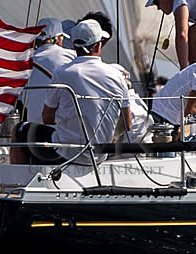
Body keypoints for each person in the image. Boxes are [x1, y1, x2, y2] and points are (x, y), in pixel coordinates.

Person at [37, 20, 132, 162]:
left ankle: (18, 180)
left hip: (66, 153)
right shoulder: (117, 75)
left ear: (74, 46)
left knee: (20, 130)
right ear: (99, 45)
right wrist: (114, 137)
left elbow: (47, 118)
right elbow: (127, 124)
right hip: (99, 155)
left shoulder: (61, 73)